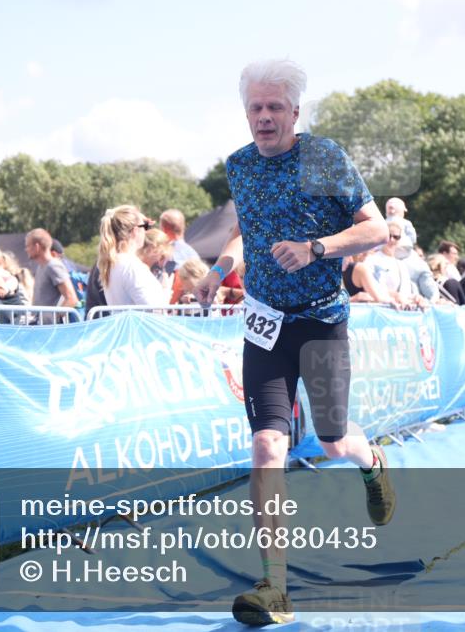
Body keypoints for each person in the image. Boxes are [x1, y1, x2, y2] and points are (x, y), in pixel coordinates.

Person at [192, 58, 395, 626]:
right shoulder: (239, 166)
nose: (263, 117)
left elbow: (376, 228)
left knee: (332, 443)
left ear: (295, 113)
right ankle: (274, 586)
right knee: (267, 447)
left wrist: (317, 248)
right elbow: (244, 229)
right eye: (254, 107)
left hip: (322, 320)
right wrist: (218, 269)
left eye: (274, 107)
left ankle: (371, 459)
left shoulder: (323, 158)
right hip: (265, 325)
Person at [97, 205, 171, 306]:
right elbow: (155, 310)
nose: (146, 231)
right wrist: (166, 290)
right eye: (144, 226)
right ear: (135, 231)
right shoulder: (131, 266)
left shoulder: (112, 262)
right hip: (140, 322)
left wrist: (139, 219)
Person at [25, 228, 78, 311]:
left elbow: (71, 299)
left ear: (37, 246)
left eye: (28, 246)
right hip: (40, 323)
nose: (26, 249)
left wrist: (54, 318)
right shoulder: (40, 267)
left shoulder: (54, 266)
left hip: (50, 323)